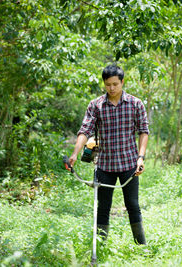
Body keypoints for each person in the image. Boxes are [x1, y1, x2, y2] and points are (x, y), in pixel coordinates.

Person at [69, 64, 149, 245]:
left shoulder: (135, 104)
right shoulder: (96, 105)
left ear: (122, 82)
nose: (111, 88)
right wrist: (75, 153)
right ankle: (101, 247)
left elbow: (143, 131)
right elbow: (85, 130)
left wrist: (141, 157)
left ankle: (141, 246)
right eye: (107, 85)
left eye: (115, 84)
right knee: (103, 208)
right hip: (104, 165)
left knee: (133, 206)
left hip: (129, 164)